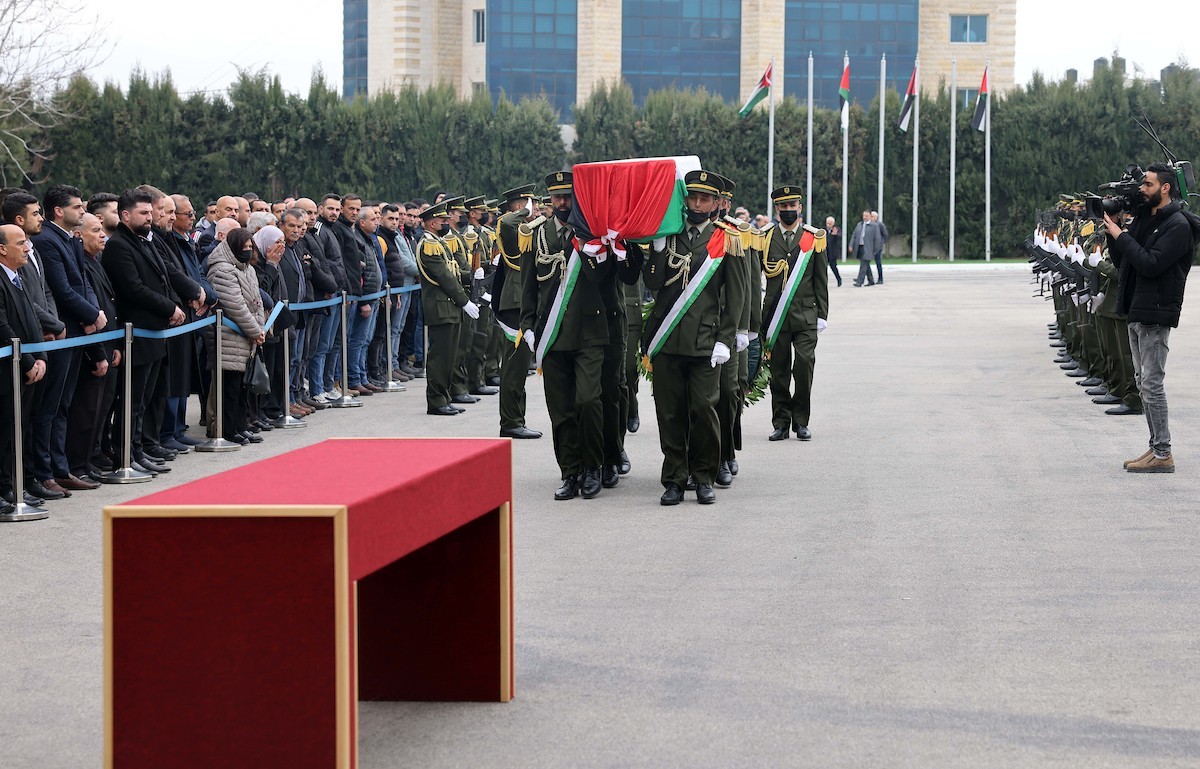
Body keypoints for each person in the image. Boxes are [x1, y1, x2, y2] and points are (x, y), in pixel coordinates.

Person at [641, 170, 747, 506]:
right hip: (667, 340)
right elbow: (653, 284)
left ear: (716, 203)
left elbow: (737, 296)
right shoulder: (669, 236)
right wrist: (657, 250)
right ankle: (674, 478)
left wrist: (725, 340)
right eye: (693, 197)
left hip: (705, 342)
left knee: (703, 409)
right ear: (684, 200)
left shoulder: (726, 238)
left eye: (705, 198)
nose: (697, 204)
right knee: (670, 412)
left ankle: (703, 476)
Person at [1102, 162, 1197, 473]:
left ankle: (1163, 452)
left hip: (1156, 312)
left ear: (1165, 188)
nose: (1141, 190)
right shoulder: (1146, 218)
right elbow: (1123, 261)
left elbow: (1150, 264)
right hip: (1136, 308)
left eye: (1148, 185)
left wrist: (1121, 234)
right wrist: (1113, 231)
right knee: (1143, 382)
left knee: (1153, 383)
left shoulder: (1178, 226)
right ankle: (1156, 446)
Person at [521, 171, 610, 500]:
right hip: (552, 334)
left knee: (587, 401)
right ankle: (570, 472)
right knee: (561, 410)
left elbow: (605, 277)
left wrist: (592, 245)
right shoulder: (536, 234)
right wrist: (527, 325)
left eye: (568, 197)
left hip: (589, 332)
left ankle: (593, 467)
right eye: (557, 197)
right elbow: (528, 284)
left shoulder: (591, 232)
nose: (562, 203)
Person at [102, 189, 190, 475]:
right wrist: (169, 308)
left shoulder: (146, 240)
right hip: (137, 332)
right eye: (144, 213)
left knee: (144, 399)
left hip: (155, 332)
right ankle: (124, 457)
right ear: (125, 215)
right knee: (132, 401)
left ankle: (137, 451)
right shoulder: (118, 246)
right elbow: (133, 288)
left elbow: (163, 277)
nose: (150, 217)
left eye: (151, 213)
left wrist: (175, 305)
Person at [31, 184, 106, 495]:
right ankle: (45, 471)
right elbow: (61, 291)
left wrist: (93, 314)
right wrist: (90, 315)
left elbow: (83, 282)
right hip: (60, 333)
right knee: (50, 407)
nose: (83, 212)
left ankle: (60, 469)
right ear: (59, 211)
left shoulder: (70, 240)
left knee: (64, 404)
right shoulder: (47, 241)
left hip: (77, 331)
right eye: (77, 207)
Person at [760, 186, 829, 442]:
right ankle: (780, 422)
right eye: (783, 207)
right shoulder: (764, 238)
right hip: (775, 318)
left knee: (803, 367)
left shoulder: (813, 238)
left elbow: (820, 279)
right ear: (776, 209)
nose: (788, 211)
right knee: (778, 371)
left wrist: (822, 314)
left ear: (800, 208)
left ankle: (801, 421)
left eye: (792, 206)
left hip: (805, 317)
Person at [0, 224, 48, 513]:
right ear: (2, 249)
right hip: (8, 370)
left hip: (26, 367)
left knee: (17, 431)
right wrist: (28, 362)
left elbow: (31, 321)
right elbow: (2, 326)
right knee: (3, 433)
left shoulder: (16, 277)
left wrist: (40, 355)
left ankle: (10, 486)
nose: (28, 248)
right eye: (21, 243)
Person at [416, 198, 478, 416]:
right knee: (440, 357)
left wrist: (472, 276)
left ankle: (445, 397)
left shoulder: (440, 243)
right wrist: (465, 301)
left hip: (450, 307)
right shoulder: (429, 245)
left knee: (450, 356)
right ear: (432, 223)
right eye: (443, 220)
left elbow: (454, 273)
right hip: (441, 306)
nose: (446, 223)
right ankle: (436, 401)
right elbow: (444, 277)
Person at [205, 228, 266, 445]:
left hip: (247, 337)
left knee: (242, 388)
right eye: (244, 247)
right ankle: (228, 430)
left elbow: (257, 301)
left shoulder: (247, 268)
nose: (248, 251)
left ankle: (241, 426)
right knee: (229, 388)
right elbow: (235, 306)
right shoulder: (222, 270)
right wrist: (255, 330)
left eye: (251, 247)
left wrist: (260, 326)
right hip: (228, 337)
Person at [494, 184, 542, 440]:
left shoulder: (529, 228)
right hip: (515, 304)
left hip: (524, 302)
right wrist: (525, 210)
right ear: (517, 206)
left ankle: (516, 418)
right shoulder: (510, 226)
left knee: (521, 365)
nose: (534, 209)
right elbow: (509, 223)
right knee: (514, 366)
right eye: (528, 203)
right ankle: (511, 421)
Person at [849, 209, 882, 287]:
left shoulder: (874, 226)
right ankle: (871, 281)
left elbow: (877, 239)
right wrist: (851, 245)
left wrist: (875, 250)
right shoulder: (859, 225)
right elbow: (854, 235)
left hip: (868, 248)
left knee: (863, 265)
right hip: (860, 247)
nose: (864, 217)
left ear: (870, 216)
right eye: (863, 215)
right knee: (865, 264)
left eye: (866, 216)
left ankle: (859, 282)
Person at [870, 210, 888, 284]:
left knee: (878, 263)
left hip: (878, 247)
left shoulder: (880, 225)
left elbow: (885, 234)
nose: (871, 218)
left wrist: (881, 243)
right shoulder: (869, 224)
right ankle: (863, 278)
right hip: (870, 246)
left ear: (876, 217)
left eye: (872, 216)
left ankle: (880, 278)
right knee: (865, 262)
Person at [824, 216, 842, 287]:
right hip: (825, 252)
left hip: (833, 253)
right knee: (823, 268)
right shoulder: (823, 230)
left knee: (833, 267)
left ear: (833, 223)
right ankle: (823, 282)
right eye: (827, 223)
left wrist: (835, 235)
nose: (828, 225)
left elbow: (840, 236)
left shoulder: (836, 229)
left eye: (830, 223)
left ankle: (839, 279)